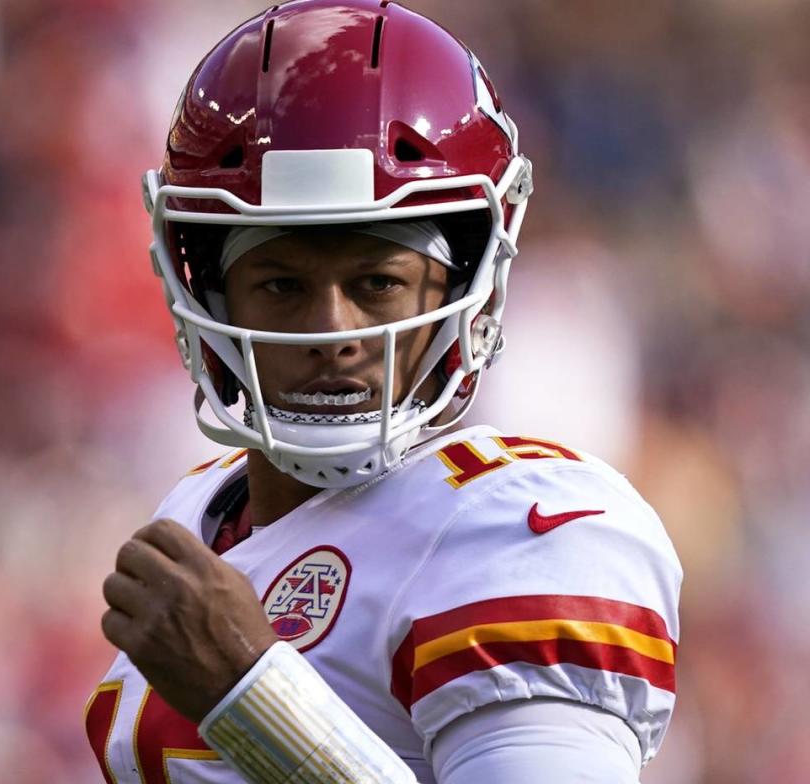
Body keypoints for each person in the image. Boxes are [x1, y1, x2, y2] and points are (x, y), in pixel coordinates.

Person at [85, 2, 682, 782]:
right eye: (280, 283)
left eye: (377, 282)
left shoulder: (521, 535)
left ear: (468, 286)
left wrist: (251, 695)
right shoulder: (196, 516)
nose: (334, 329)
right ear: (211, 296)